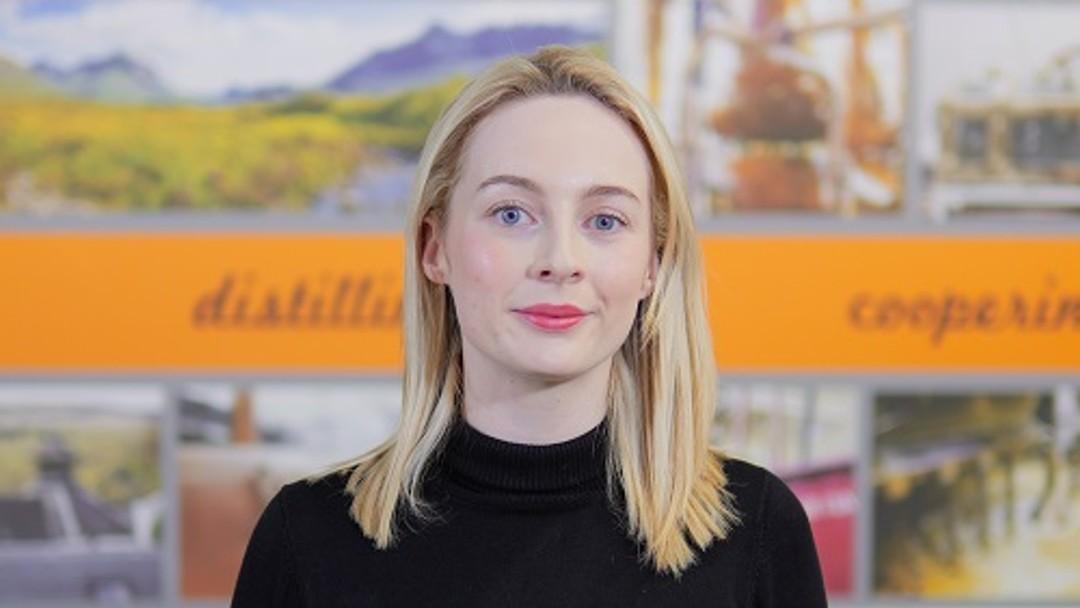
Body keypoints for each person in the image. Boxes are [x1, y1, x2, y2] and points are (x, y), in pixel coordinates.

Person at [231, 45, 827, 608]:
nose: (560, 260)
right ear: (435, 248)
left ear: (653, 262)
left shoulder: (756, 533)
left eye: (605, 220)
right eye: (512, 214)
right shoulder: (305, 541)